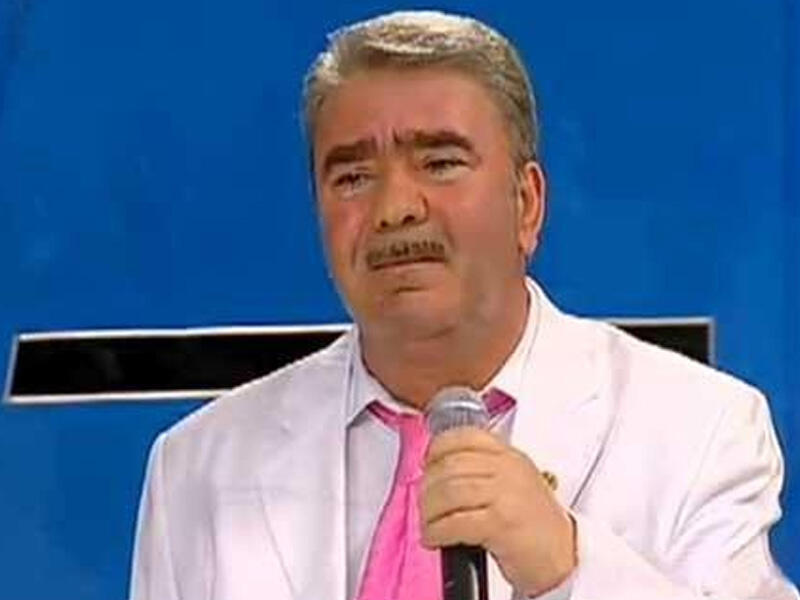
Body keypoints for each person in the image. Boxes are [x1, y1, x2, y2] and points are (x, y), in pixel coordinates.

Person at [129, 10, 798, 600]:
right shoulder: (198, 468)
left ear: (527, 204)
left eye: (441, 163)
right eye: (353, 176)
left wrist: (568, 566)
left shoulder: (699, 431)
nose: (395, 208)